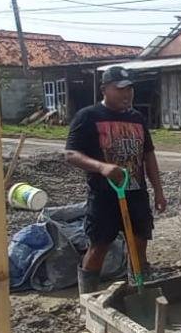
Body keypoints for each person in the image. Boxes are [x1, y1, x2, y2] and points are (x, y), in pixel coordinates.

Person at [66, 66, 167, 295]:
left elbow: (148, 156)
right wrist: (101, 167)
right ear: (104, 90)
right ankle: (88, 298)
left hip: (136, 194)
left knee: (139, 243)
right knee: (99, 246)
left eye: (129, 88)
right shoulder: (88, 116)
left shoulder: (137, 118)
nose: (126, 94)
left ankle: (138, 291)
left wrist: (158, 191)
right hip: (104, 196)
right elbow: (70, 154)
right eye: (120, 89)